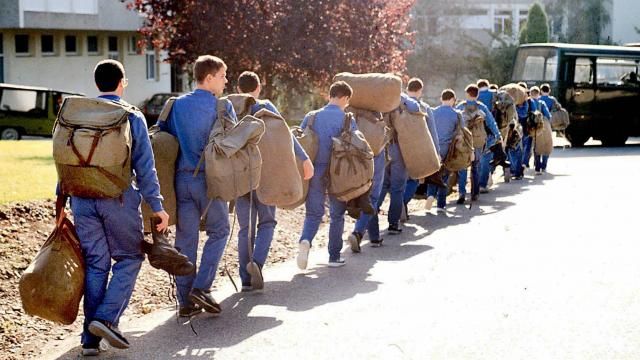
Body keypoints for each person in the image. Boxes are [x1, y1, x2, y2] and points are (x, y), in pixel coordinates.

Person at [70, 59, 169, 355]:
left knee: (96, 264)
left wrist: (63, 197)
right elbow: (145, 167)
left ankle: (89, 342)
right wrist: (157, 206)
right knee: (129, 257)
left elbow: (67, 160)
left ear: (97, 83)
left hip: (82, 198)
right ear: (122, 82)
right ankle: (105, 318)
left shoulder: (79, 115)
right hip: (118, 199)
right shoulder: (130, 115)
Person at [158, 55, 234, 317]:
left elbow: (161, 138)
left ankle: (184, 303)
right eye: (223, 75)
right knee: (220, 230)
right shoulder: (222, 107)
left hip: (181, 180)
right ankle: (202, 287)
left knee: (186, 238)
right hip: (210, 181)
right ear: (210, 77)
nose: (226, 81)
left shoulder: (175, 105)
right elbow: (232, 146)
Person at [235, 71, 313, 291]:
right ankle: (257, 264)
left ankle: (245, 281)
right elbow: (285, 134)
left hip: (240, 177)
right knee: (267, 222)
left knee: (245, 229)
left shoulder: (231, 107)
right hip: (266, 176)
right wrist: (304, 159)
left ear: (238, 89)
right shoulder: (266, 106)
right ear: (258, 88)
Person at [297, 81, 356, 269]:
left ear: (330, 95)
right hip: (338, 173)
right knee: (337, 214)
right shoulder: (347, 119)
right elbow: (356, 146)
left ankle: (305, 240)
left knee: (313, 213)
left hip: (314, 170)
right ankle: (333, 256)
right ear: (345, 98)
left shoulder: (312, 116)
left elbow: (299, 141)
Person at [455, 84, 502, 203]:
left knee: (462, 167)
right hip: (478, 141)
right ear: (477, 95)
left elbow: (454, 122)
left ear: (467, 94)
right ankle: (475, 193)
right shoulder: (482, 107)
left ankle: (461, 193)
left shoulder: (460, 106)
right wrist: (498, 135)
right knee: (476, 166)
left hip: (463, 141)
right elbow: (491, 122)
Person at [402, 78, 440, 219]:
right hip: (417, 149)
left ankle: (398, 207)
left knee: (398, 180)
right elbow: (432, 132)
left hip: (399, 148)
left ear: (407, 89)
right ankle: (402, 204)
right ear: (420, 90)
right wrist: (436, 152)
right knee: (414, 179)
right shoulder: (425, 108)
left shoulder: (398, 105)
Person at [425, 89, 461, 211]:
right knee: (444, 175)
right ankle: (441, 204)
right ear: (452, 100)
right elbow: (460, 132)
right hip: (447, 148)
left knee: (433, 172)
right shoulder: (456, 114)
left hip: (432, 146)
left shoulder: (433, 112)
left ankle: (430, 195)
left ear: (441, 99)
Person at [476, 79, 498, 193]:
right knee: (486, 157)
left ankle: (473, 185)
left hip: (474, 129)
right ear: (487, 85)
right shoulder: (493, 94)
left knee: (475, 158)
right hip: (488, 129)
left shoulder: (475, 95)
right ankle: (482, 185)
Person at [529, 86, 552, 174]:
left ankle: (537, 168)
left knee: (536, 146)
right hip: (542, 125)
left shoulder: (528, 102)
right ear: (538, 94)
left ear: (530, 94)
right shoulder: (541, 103)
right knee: (546, 145)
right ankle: (544, 166)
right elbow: (548, 115)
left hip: (532, 127)